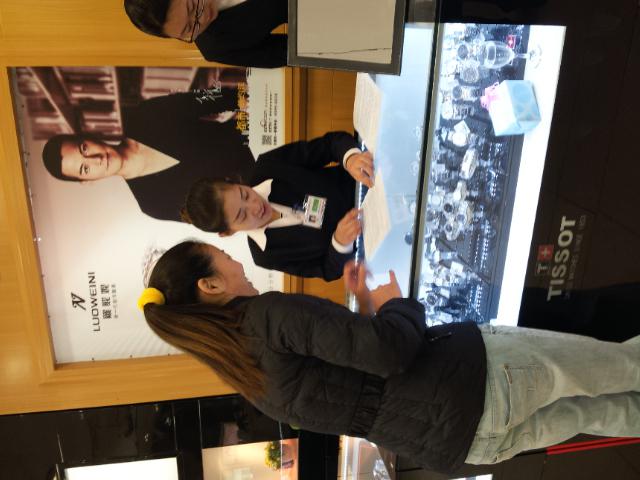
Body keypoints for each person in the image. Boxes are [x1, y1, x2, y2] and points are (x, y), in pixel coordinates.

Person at [138, 240, 640, 474]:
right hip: (478, 380)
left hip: (465, 443)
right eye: (221, 256)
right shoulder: (265, 317)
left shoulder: (249, 376)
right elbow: (389, 352)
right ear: (210, 285)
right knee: (621, 368)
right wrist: (392, 304)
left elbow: (355, 387)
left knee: (603, 414)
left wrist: (361, 311)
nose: (234, 259)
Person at [181, 131, 375, 280]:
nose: (255, 207)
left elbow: (329, 145)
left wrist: (350, 159)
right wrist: (340, 243)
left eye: (244, 194)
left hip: (370, 183)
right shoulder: (265, 255)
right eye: (242, 215)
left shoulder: (268, 167)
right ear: (229, 232)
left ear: (235, 182)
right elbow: (328, 270)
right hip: (371, 244)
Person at [41, 90, 255, 222]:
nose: (96, 159)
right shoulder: (153, 204)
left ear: (89, 137)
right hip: (258, 185)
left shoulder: (145, 115)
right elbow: (219, 219)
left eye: (84, 149)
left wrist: (255, 103)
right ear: (87, 181)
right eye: (85, 169)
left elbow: (212, 98)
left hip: (255, 131)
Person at [124, 0, 288, 68]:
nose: (202, 19)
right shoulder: (215, 47)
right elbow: (289, 53)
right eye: (189, 28)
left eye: (192, 7)